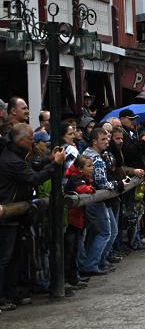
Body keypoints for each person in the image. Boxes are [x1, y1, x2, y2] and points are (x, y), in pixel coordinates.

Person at [0, 124, 63, 310]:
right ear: (20, 140)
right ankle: (3, 297)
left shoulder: (18, 155)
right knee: (5, 258)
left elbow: (32, 167)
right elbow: (34, 178)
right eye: (30, 138)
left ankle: (11, 294)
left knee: (15, 257)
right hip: (8, 214)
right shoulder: (11, 160)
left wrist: (48, 160)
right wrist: (55, 164)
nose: (33, 141)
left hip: (17, 213)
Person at [81, 128, 122, 276]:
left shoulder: (87, 153)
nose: (107, 142)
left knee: (101, 232)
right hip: (95, 198)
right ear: (94, 141)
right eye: (103, 139)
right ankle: (92, 264)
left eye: (107, 139)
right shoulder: (96, 159)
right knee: (106, 232)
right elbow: (102, 183)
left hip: (93, 198)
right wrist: (117, 184)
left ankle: (98, 262)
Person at [64, 155, 95, 288]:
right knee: (70, 252)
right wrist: (90, 188)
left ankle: (74, 279)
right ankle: (67, 281)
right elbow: (82, 189)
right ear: (80, 169)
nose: (92, 168)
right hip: (71, 220)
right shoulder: (75, 177)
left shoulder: (82, 177)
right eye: (89, 166)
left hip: (78, 219)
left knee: (75, 250)